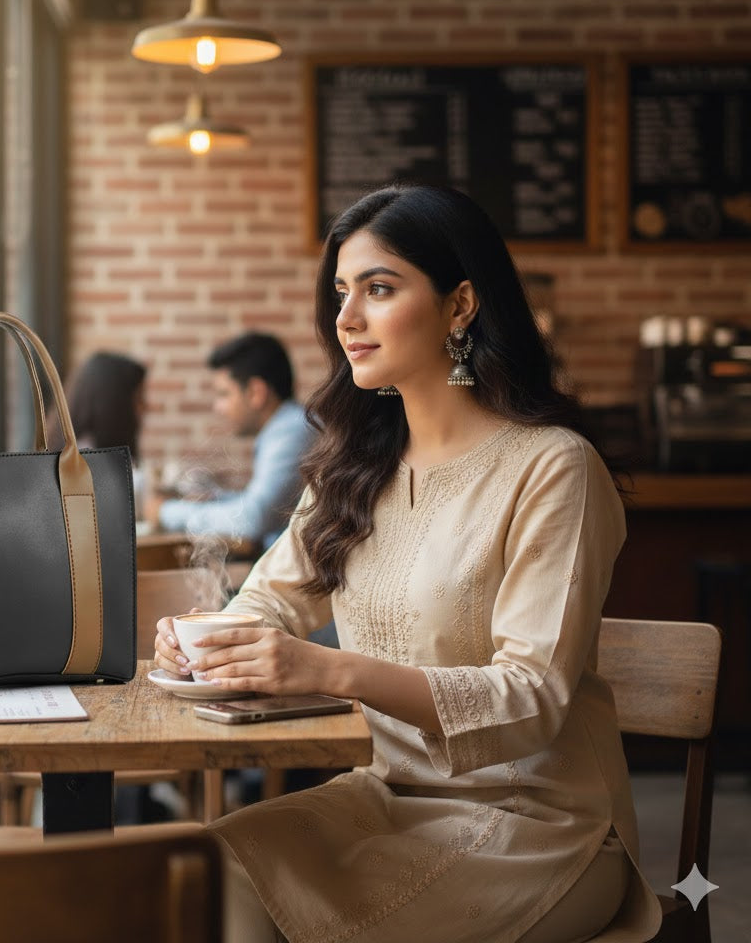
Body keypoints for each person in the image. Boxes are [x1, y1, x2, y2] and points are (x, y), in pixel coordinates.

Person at [153, 185, 661, 943]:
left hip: (541, 827)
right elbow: (268, 606)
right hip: (385, 798)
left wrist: (329, 671)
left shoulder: (553, 469)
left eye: (379, 289)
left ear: (461, 306)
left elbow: (534, 697)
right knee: (198, 868)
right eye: (340, 294)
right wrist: (209, 642)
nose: (347, 319)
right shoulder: (354, 468)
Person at [145, 332, 316, 552]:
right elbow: (264, 506)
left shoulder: (292, 431)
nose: (218, 407)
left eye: (224, 394)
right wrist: (214, 499)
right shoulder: (286, 427)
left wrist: (165, 512)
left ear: (256, 393)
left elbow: (255, 517)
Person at [53, 351, 148, 505]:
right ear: (115, 403)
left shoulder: (98, 454)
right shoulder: (85, 460)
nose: (145, 406)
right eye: (139, 398)